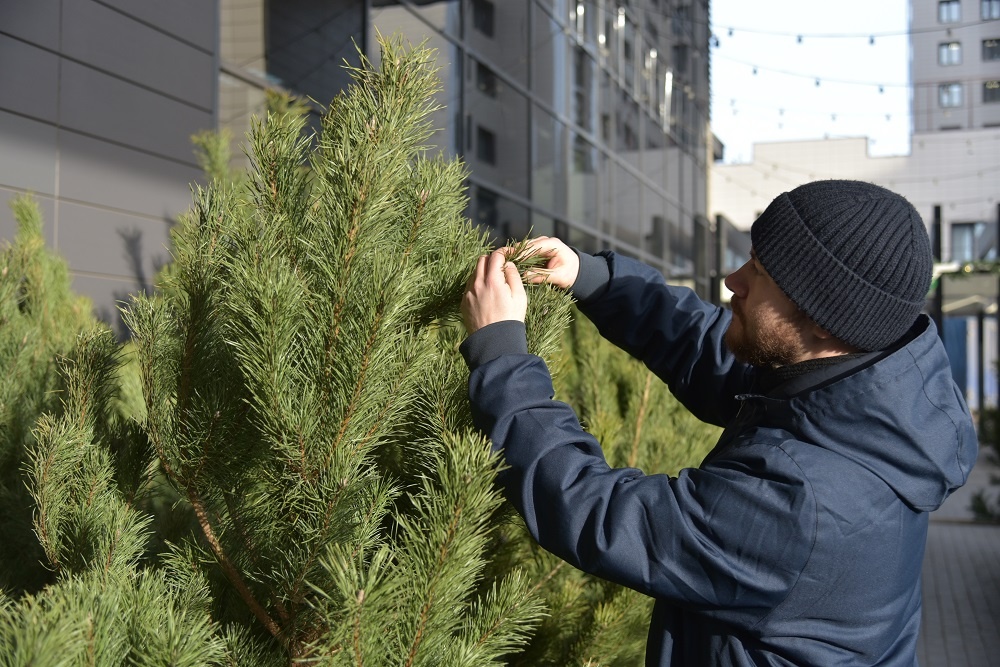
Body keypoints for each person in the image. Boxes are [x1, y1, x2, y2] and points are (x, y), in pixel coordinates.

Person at [459, 179, 978, 666]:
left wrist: (500, 356)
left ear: (824, 318)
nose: (733, 281)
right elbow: (717, 353)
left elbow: (596, 512)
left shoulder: (805, 502)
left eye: (761, 274)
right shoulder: (863, 395)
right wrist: (595, 280)